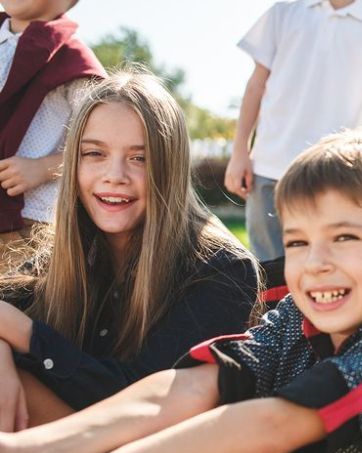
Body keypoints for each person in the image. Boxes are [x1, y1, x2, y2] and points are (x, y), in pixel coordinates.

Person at [0, 126, 362, 453]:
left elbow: (273, 425)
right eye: (298, 243)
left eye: (344, 238)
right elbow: (191, 388)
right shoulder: (293, 319)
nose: (316, 264)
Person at [0, 71, 259, 431]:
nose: (114, 175)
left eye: (140, 158)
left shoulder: (222, 269)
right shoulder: (67, 253)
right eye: (94, 154)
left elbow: (142, 406)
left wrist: (23, 333)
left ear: (169, 167)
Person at [224, 0, 362, 262]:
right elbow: (256, 84)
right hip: (269, 168)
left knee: (329, 264)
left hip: (338, 175)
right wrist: (240, 150)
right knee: (268, 272)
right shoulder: (284, 12)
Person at [0, 0, 105, 267]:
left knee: (15, 299)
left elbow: (104, 144)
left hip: (30, 221)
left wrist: (43, 168)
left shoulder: (72, 58)